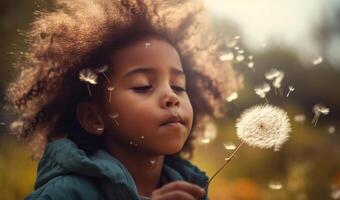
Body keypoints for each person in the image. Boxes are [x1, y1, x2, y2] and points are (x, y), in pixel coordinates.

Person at [5, 0, 241, 199]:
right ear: (93, 117)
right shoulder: (65, 193)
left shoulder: (191, 187)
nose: (171, 96)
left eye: (179, 86)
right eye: (143, 86)